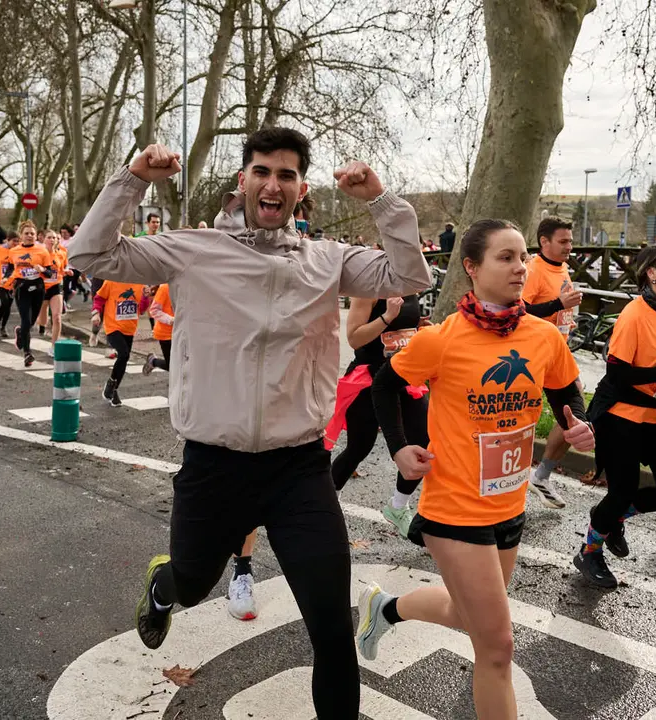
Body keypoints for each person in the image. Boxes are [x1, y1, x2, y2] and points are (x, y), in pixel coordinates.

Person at [67, 128, 431, 717]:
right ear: (244, 180)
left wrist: (381, 200)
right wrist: (133, 179)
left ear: (300, 191)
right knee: (192, 584)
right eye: (262, 170)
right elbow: (87, 256)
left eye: (287, 175)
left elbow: (409, 278)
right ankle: (166, 585)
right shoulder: (193, 249)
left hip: (299, 469)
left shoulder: (327, 260)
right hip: (216, 465)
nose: (273, 183)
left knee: (333, 630)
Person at [354, 219, 592, 719]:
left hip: (509, 504)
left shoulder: (543, 337)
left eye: (522, 257)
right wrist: (399, 448)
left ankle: (386, 609)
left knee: (467, 616)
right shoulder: (442, 339)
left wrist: (578, 423)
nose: (520, 267)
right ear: (471, 267)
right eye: (505, 258)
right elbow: (383, 384)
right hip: (454, 508)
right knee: (498, 647)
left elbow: (565, 389)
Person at [571, 244, 656, 588]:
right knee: (622, 489)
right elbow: (616, 374)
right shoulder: (632, 315)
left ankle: (611, 517)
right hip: (620, 415)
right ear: (651, 273)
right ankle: (590, 549)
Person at [323, 292, 427, 536]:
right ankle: (326, 504)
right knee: (359, 447)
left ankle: (398, 506)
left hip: (404, 375)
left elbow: (404, 330)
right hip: (369, 379)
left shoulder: (412, 284)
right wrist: (387, 316)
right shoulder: (369, 288)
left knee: (424, 440)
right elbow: (355, 338)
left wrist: (420, 331)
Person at [520, 217, 584, 509]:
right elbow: (519, 311)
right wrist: (559, 305)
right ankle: (511, 478)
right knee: (521, 416)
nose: (569, 246)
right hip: (532, 354)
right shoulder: (533, 270)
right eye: (563, 241)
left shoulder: (561, 267)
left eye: (570, 241)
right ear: (544, 242)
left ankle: (541, 475)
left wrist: (567, 316)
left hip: (559, 352)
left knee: (574, 417)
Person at [9, 222, 55, 366]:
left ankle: (20, 333)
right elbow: (10, 269)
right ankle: (27, 353)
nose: (29, 236)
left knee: (31, 321)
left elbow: (49, 273)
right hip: (22, 288)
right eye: (26, 233)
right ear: (21, 235)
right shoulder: (14, 251)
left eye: (32, 234)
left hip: (38, 288)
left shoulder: (42, 251)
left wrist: (41, 269)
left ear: (36, 236)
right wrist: (6, 278)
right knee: (26, 320)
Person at [93, 279, 144, 406]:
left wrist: (146, 297)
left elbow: (141, 309)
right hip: (113, 326)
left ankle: (114, 389)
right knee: (124, 354)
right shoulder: (111, 281)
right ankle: (111, 384)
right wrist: (96, 313)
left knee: (124, 359)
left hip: (130, 328)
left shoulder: (140, 284)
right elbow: (99, 298)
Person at [34, 229, 68, 350]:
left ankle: (54, 346)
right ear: (43, 239)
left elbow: (62, 269)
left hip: (56, 286)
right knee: (43, 320)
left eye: (54, 237)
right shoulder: (39, 254)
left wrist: (66, 272)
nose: (52, 240)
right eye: (49, 237)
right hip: (42, 287)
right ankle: (41, 325)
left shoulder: (62, 253)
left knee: (57, 317)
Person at [141, 283, 175, 374]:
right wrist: (170, 320)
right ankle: (153, 361)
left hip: (181, 332)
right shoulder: (165, 288)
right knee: (172, 366)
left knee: (181, 364)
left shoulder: (188, 288)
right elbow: (154, 310)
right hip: (166, 334)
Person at [0, 231, 17, 337]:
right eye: (14, 241)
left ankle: (3, 327)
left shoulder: (18, 251)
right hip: (0, 281)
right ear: (8, 240)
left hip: (13, 282)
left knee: (8, 305)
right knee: (5, 302)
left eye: (18, 241)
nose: (16, 243)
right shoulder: (0, 249)